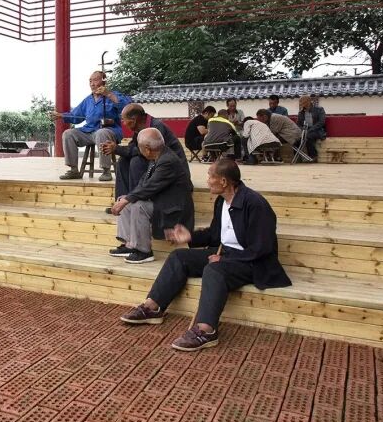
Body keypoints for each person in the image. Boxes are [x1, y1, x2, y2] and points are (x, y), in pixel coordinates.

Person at [119, 157, 292, 351]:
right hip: (226, 254)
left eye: (210, 176)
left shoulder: (255, 204)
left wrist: (225, 259)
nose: (207, 181)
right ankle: (153, 307)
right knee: (179, 257)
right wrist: (189, 237)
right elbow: (214, 235)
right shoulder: (222, 201)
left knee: (214, 270)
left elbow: (262, 248)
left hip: (253, 262)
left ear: (223, 181)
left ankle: (206, 330)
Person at [108, 128, 194, 264]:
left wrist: (127, 200)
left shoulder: (168, 161)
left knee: (138, 205)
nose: (139, 150)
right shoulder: (157, 156)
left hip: (173, 210)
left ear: (147, 149)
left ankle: (144, 251)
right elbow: (143, 182)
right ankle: (129, 245)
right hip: (161, 202)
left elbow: (149, 187)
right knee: (125, 200)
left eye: (139, 147)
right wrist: (125, 199)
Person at [49, 71, 130, 181]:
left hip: (109, 130)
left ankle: (106, 171)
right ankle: (73, 170)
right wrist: (60, 115)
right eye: (90, 81)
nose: (92, 84)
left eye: (95, 80)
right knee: (68, 134)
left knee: (102, 133)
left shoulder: (112, 95)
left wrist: (108, 94)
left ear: (103, 81)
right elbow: (75, 115)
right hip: (88, 131)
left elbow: (127, 106)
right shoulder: (88, 100)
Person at [101, 103, 187, 204]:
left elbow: (143, 151)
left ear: (133, 120)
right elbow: (134, 147)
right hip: (154, 162)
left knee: (136, 161)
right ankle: (121, 202)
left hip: (171, 171)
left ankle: (136, 202)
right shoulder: (140, 127)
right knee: (123, 161)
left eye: (124, 120)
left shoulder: (156, 128)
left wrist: (117, 149)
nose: (123, 123)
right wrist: (116, 149)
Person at [297, 95, 327, 162]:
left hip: (317, 130)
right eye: (300, 102)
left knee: (308, 136)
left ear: (309, 101)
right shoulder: (301, 112)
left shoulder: (319, 109)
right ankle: (298, 157)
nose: (300, 103)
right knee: (295, 138)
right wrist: (302, 130)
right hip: (305, 130)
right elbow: (298, 124)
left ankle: (313, 156)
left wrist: (310, 130)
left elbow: (321, 122)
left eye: (302, 102)